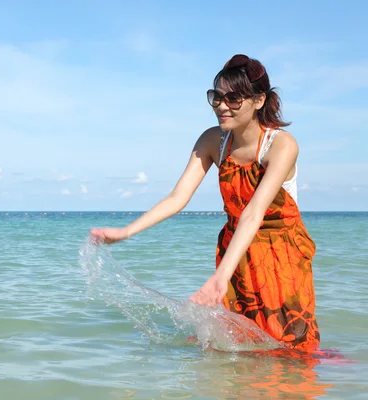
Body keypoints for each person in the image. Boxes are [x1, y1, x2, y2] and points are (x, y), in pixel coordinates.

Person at [89, 54, 320, 352]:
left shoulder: (281, 145)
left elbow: (253, 212)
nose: (222, 106)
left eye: (234, 98)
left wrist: (219, 277)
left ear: (259, 100)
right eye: (217, 97)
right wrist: (125, 232)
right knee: (236, 343)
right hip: (236, 247)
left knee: (288, 344)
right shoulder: (213, 141)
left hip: (281, 253)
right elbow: (178, 198)